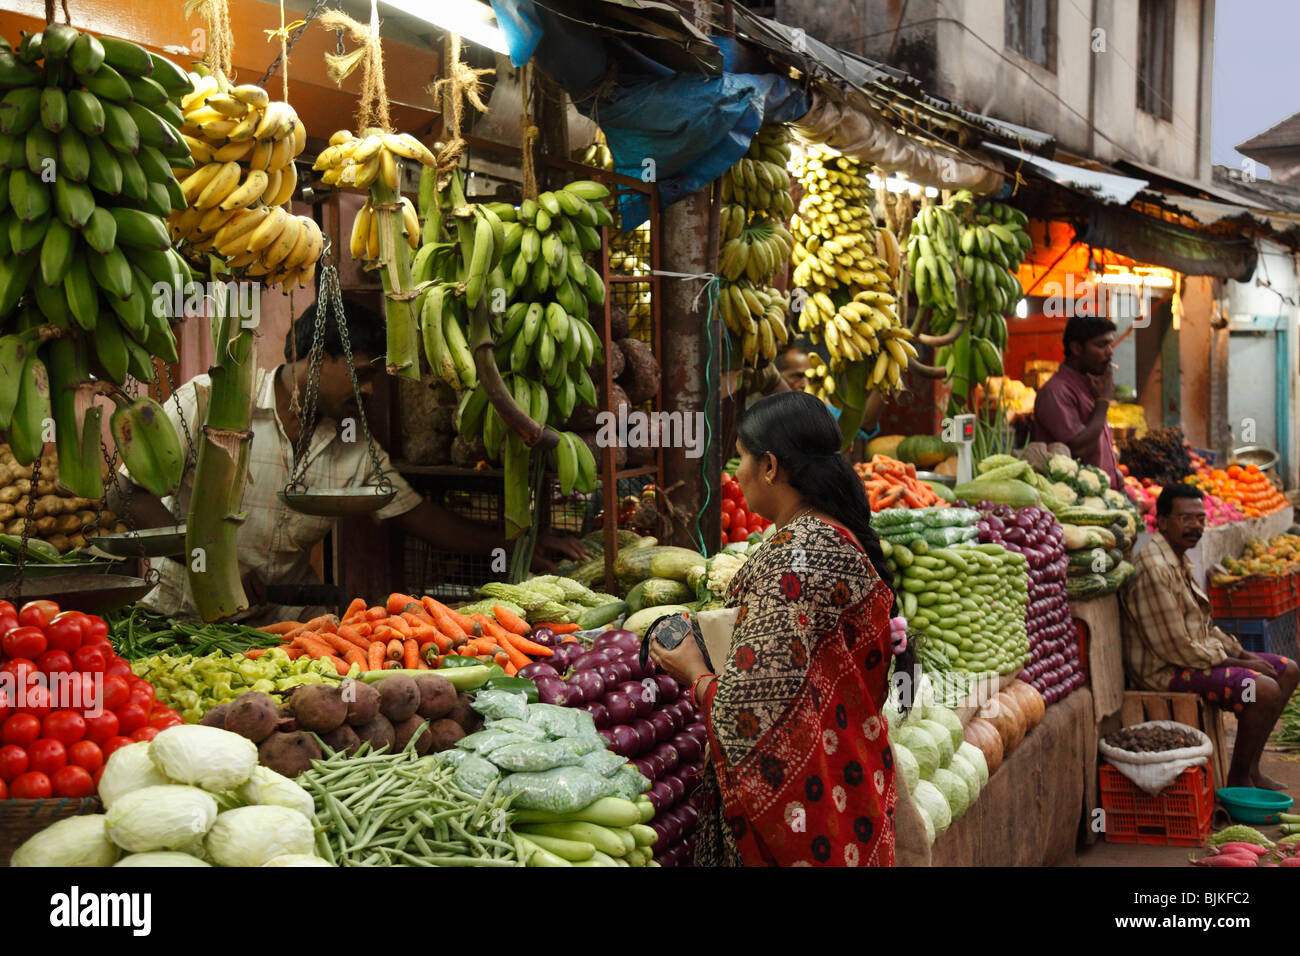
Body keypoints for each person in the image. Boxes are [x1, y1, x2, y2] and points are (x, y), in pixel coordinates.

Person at [114, 298, 586, 624]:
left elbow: (416, 515)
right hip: (184, 617)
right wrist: (210, 562)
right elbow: (125, 492)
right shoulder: (207, 402)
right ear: (314, 357)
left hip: (285, 630)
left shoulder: (351, 440)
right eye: (361, 375)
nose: (369, 391)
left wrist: (517, 543)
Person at [649, 391, 905, 866]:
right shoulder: (835, 532)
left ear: (769, 466)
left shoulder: (792, 560)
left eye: (741, 457)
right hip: (849, 790)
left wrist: (692, 670)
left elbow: (748, 712)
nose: (736, 473)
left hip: (808, 815)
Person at [1120, 484, 1298, 789]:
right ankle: (1239, 779)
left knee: (1287, 669)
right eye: (1186, 518)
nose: (1195, 526)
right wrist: (1242, 664)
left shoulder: (1179, 560)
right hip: (1164, 671)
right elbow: (1176, 648)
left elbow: (1203, 626)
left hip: (1191, 658)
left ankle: (1252, 768)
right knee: (1264, 689)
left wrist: (1243, 655)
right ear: (1161, 521)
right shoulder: (1153, 568)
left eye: (1200, 519)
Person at [1033, 315, 1122, 489]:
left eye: (1110, 344)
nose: (1110, 352)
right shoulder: (1056, 392)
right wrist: (1103, 402)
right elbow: (1080, 448)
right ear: (1076, 348)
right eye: (1101, 345)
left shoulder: (1090, 385)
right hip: (1078, 502)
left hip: (1103, 497)